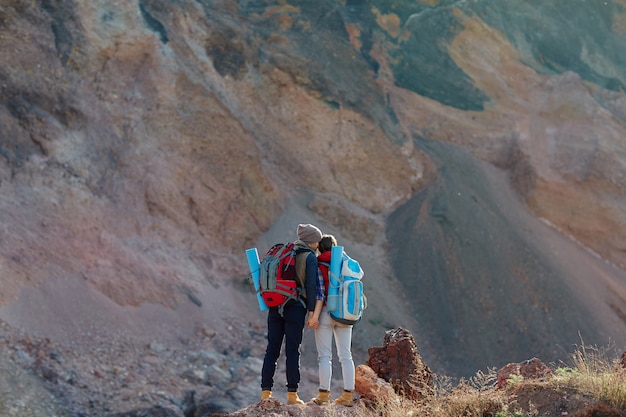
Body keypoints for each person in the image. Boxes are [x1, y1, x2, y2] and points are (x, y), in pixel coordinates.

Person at [260, 223, 323, 405]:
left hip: (275, 305)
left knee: (272, 349)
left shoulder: (285, 253)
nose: (318, 245)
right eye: (317, 241)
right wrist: (312, 311)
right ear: (312, 241)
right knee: (292, 350)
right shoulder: (309, 257)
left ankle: (265, 393)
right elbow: (311, 286)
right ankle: (292, 395)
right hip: (295, 307)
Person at [307, 234, 355, 407]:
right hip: (345, 313)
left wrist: (313, 315)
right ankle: (348, 395)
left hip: (326, 311)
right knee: (346, 356)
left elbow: (318, 291)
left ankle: (323, 396)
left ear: (320, 248)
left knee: (325, 357)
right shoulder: (346, 262)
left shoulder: (318, 263)